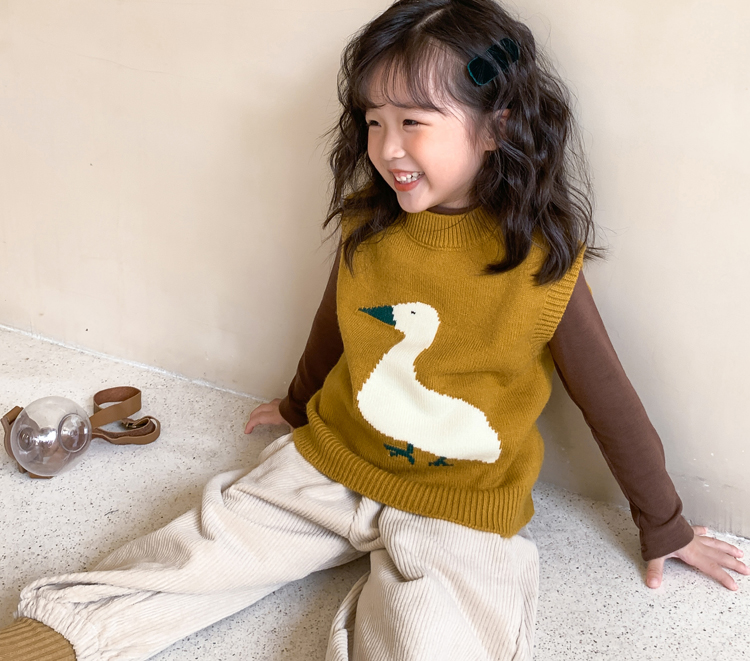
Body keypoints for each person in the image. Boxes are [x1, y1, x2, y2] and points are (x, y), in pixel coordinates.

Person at [1, 1, 747, 660]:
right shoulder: (369, 228)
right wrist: (297, 404)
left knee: (440, 635)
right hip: (335, 459)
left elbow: (608, 397)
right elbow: (333, 326)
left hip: (463, 501)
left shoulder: (541, 264)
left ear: (498, 127)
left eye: (414, 122)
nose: (388, 148)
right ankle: (51, 639)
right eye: (374, 121)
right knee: (205, 547)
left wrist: (665, 523)